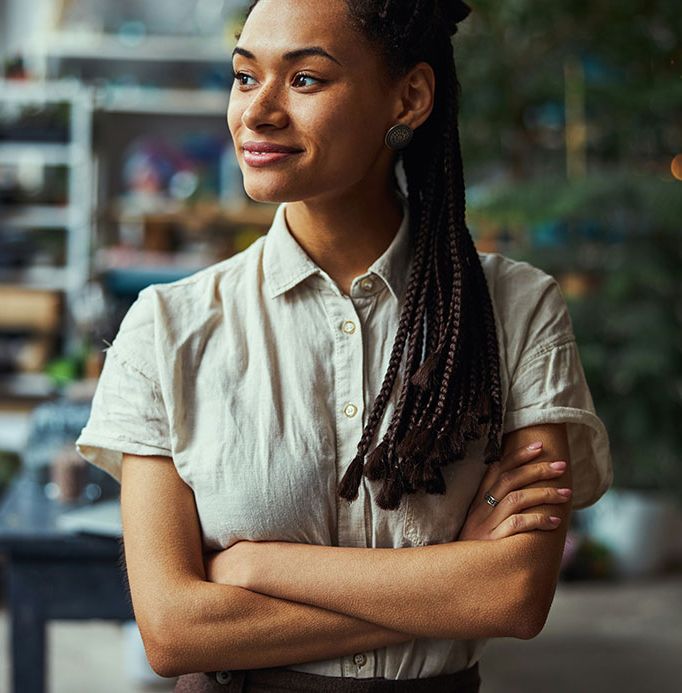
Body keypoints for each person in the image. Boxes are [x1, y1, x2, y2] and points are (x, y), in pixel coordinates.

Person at [76, 0, 612, 690]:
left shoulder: (517, 307)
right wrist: (449, 585)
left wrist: (256, 567)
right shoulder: (166, 327)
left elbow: (513, 595)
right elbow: (174, 630)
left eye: (304, 80)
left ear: (410, 97)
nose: (257, 112)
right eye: (245, 77)